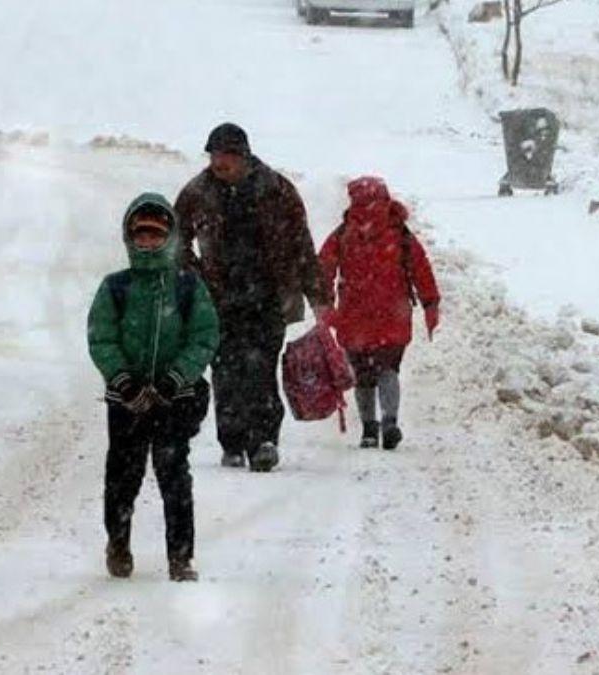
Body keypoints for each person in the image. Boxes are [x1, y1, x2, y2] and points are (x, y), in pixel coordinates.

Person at [175, 123, 332, 472]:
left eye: (226, 156)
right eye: (214, 155)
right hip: (218, 301)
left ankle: (263, 441)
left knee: (261, 369)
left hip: (268, 298)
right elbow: (176, 241)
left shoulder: (276, 189)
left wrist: (319, 296)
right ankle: (231, 441)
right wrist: (192, 276)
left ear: (243, 156)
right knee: (226, 370)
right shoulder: (197, 192)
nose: (219, 163)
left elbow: (301, 245)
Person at [87, 193, 220, 581]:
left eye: (155, 236)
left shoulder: (187, 287)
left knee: (173, 473)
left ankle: (180, 557)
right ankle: (118, 543)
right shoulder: (115, 287)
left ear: (171, 238)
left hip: (173, 400)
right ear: (129, 238)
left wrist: (174, 378)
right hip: (125, 401)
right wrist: (124, 381)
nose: (148, 243)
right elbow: (101, 338)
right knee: (122, 476)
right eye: (141, 236)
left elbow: (204, 336)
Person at [318, 176, 440, 450]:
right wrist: (430, 304)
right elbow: (421, 270)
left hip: (354, 314)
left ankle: (369, 428)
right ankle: (389, 420)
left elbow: (323, 268)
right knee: (388, 369)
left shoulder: (344, 233)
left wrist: (324, 302)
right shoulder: (400, 233)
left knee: (362, 375)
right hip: (392, 314)